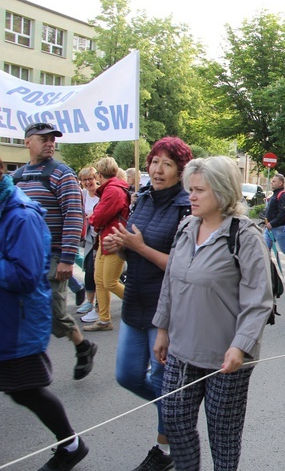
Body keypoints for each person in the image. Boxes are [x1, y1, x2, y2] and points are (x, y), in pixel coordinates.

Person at [153, 156, 274, 470]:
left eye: (199, 190)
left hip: (226, 359)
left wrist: (240, 346)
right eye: (189, 189)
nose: (190, 196)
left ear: (221, 193)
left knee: (223, 437)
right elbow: (170, 281)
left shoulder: (245, 237)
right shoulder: (185, 228)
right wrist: (162, 327)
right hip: (181, 350)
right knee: (175, 421)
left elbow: (259, 300)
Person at [103, 136, 193, 470]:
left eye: (167, 164)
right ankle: (177, 415)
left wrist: (138, 248)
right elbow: (134, 243)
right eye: (155, 161)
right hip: (135, 301)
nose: (157, 169)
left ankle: (165, 448)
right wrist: (121, 245)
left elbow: (183, 266)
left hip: (165, 308)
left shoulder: (186, 206)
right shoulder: (140, 198)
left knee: (161, 380)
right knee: (127, 375)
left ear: (180, 171)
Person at [0, 157, 91, 471]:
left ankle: (71, 444)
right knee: (22, 391)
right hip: (8, 316)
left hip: (18, 320)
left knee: (26, 390)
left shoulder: (21, 215)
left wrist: (68, 257)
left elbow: (25, 275)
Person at [13, 122, 96, 380]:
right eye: (43, 138)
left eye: (52, 139)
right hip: (22, 258)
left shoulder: (61, 174)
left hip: (53, 256)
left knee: (54, 313)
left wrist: (68, 258)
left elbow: (73, 216)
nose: (50, 143)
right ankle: (24, 361)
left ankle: (83, 346)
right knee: (18, 307)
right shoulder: (16, 177)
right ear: (28, 142)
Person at [82, 157, 130, 332]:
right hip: (107, 238)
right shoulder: (113, 189)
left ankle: (142, 305)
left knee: (109, 282)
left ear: (100, 174)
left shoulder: (113, 191)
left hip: (114, 239)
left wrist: (92, 218)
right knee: (100, 280)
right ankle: (103, 319)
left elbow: (99, 217)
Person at [75, 166, 100, 315]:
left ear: (96, 178)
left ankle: (99, 303)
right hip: (89, 238)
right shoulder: (83, 194)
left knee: (99, 271)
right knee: (89, 269)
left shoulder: (101, 193)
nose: (87, 182)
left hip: (101, 236)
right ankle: (89, 302)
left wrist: (93, 216)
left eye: (90, 178)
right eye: (84, 180)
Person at [264, 173, 285, 266]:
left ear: (280, 183)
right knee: (264, 248)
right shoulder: (276, 194)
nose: (271, 183)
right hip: (270, 228)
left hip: (279, 228)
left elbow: (283, 213)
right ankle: (266, 269)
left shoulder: (283, 195)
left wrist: (272, 223)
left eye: (274, 181)